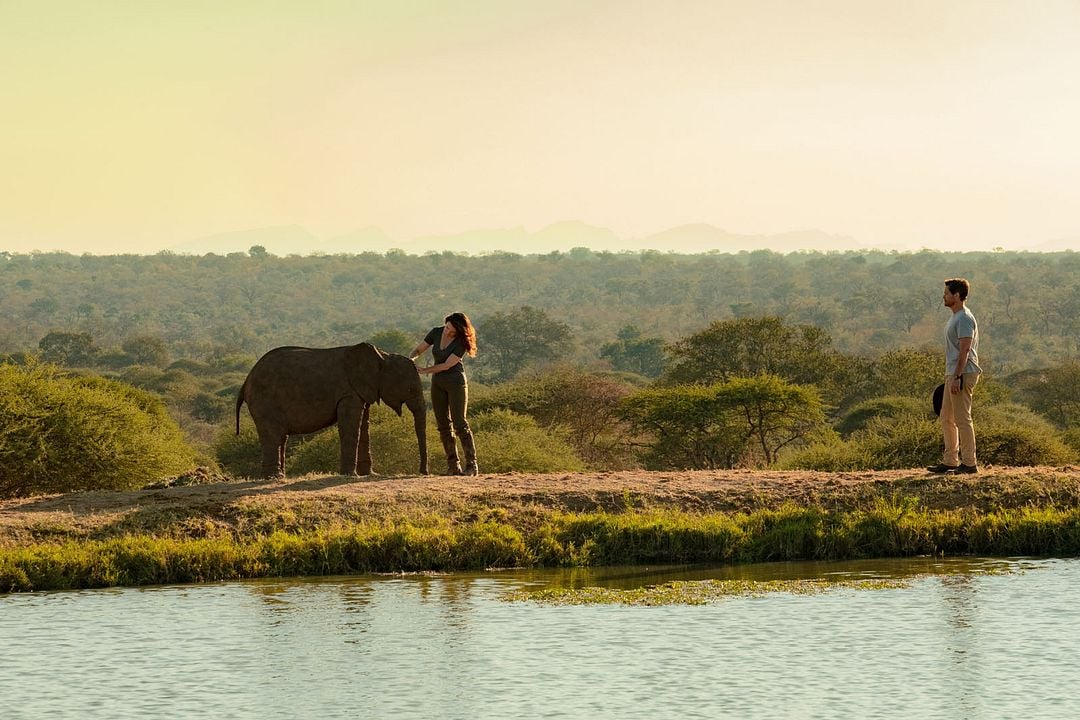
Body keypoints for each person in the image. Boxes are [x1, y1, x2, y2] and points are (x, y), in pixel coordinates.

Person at [409, 312, 479, 476]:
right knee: (443, 425)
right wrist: (410, 360)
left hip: (455, 382)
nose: (448, 331)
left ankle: (471, 465)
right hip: (438, 382)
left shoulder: (462, 342)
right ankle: (453, 466)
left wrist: (425, 370)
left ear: (459, 330)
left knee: (460, 423)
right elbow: (419, 349)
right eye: (447, 327)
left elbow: (447, 365)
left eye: (452, 330)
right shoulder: (436, 332)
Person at [927, 278, 982, 474]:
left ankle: (969, 463)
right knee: (946, 417)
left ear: (957, 296)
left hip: (963, 372)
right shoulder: (956, 316)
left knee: (962, 418)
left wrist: (957, 377)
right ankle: (950, 460)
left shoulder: (965, 318)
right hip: (953, 372)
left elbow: (965, 350)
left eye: (947, 293)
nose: (944, 296)